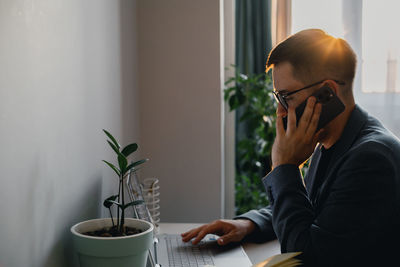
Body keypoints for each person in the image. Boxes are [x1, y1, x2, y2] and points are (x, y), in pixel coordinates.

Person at [181, 29, 400, 267]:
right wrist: (251, 224)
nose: (281, 111)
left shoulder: (370, 159)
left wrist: (285, 166)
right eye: (278, 98)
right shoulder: (334, 140)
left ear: (328, 93)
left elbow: (306, 257)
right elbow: (316, 210)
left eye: (286, 96)